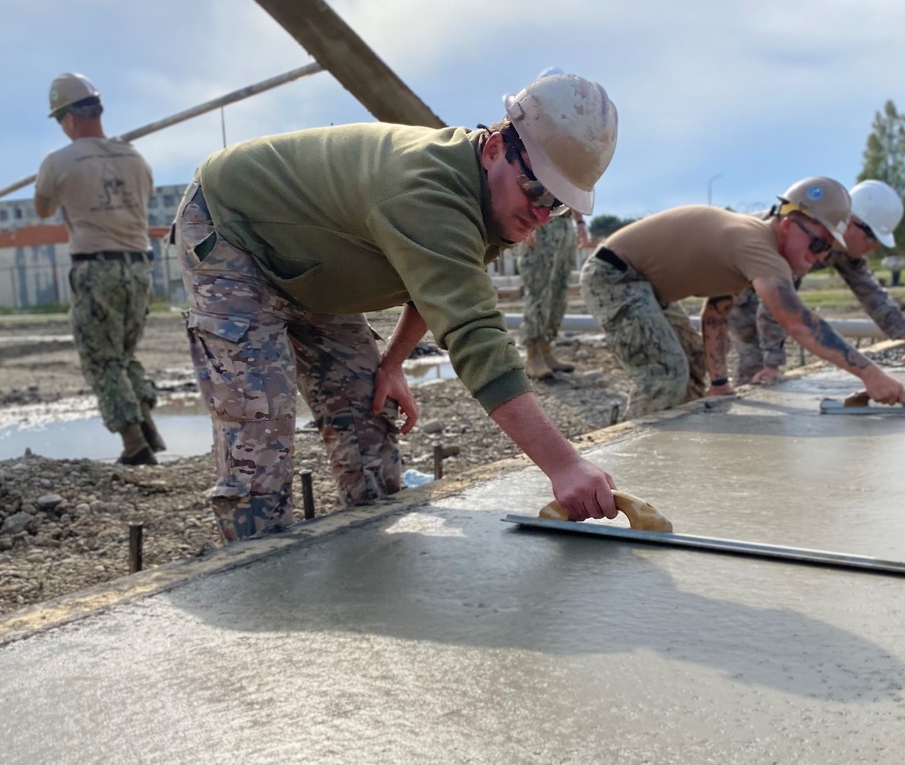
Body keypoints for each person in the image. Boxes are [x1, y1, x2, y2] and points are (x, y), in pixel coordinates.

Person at [173, 73, 620, 543]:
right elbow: (474, 335)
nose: (542, 214)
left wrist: (391, 364)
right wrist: (564, 465)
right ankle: (257, 579)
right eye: (536, 189)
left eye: (559, 205)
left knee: (368, 414)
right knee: (259, 428)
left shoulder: (491, 200)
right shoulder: (427, 188)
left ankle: (376, 560)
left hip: (317, 261)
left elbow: (438, 290)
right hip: (235, 232)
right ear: (494, 148)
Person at [580, 177, 905, 419]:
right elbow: (796, 320)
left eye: (828, 250)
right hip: (616, 276)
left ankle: (674, 437)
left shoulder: (754, 247)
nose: (820, 257)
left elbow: (716, 314)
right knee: (666, 371)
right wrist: (871, 374)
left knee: (693, 361)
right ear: (790, 223)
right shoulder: (757, 246)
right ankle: (640, 459)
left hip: (646, 287)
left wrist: (720, 382)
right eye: (819, 244)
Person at [34, 73, 164, 465]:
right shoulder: (134, 157)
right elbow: (147, 195)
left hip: (96, 270)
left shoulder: (59, 161)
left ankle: (134, 445)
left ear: (69, 119)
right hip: (139, 268)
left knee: (101, 360)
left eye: (59, 121)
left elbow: (42, 210)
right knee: (123, 354)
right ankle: (148, 427)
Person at [729, 179, 905, 385]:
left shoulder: (843, 250)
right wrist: (773, 364)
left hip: (766, 290)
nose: (874, 248)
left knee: (766, 372)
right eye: (872, 238)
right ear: (851, 224)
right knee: (756, 370)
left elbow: (872, 294)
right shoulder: (803, 234)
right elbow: (777, 306)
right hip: (737, 290)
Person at [516, 209, 591, 379]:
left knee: (559, 292)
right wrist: (527, 222)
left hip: (565, 224)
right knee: (539, 292)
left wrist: (580, 224)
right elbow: (524, 185)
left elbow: (575, 191)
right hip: (541, 222)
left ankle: (546, 351)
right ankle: (532, 356)